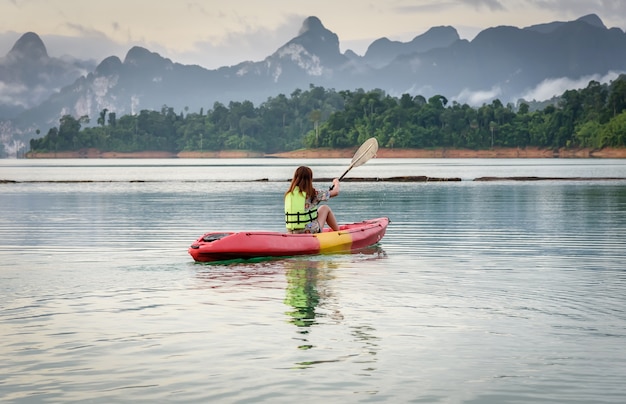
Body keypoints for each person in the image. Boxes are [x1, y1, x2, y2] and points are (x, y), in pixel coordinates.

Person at [284, 166, 340, 234]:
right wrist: (336, 183)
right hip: (310, 231)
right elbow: (336, 192)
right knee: (325, 208)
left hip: (292, 232)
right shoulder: (313, 193)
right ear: (309, 179)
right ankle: (339, 233)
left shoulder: (289, 194)